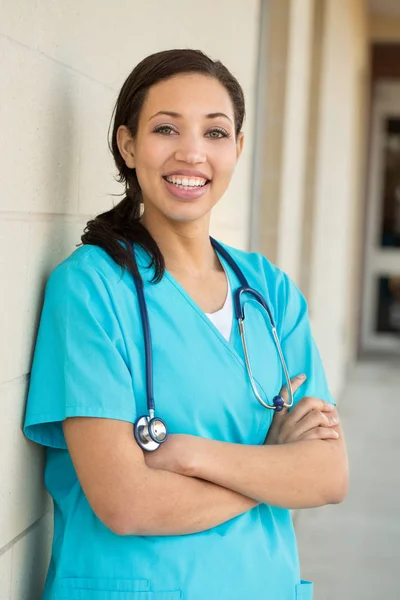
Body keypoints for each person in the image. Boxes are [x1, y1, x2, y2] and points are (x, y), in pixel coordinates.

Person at [24, 48, 348, 600]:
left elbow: (326, 476)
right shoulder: (90, 290)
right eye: (166, 128)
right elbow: (127, 503)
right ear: (128, 145)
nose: (192, 153)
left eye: (216, 133)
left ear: (238, 149)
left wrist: (193, 455)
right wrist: (272, 471)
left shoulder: (268, 292)